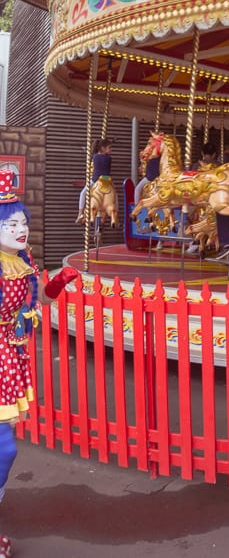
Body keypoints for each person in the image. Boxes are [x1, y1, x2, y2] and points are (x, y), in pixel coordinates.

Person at [0, 170, 78, 554]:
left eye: (23, 223)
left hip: (8, 357)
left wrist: (60, 282)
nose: (21, 229)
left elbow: (36, 303)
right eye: (11, 223)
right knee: (3, 449)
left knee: (5, 450)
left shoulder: (23, 261)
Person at [75, 137, 113, 223]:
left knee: (83, 193)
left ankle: (80, 213)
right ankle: (115, 217)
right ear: (103, 148)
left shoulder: (94, 157)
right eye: (110, 148)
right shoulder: (109, 158)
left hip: (95, 179)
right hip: (106, 180)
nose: (111, 150)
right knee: (116, 196)